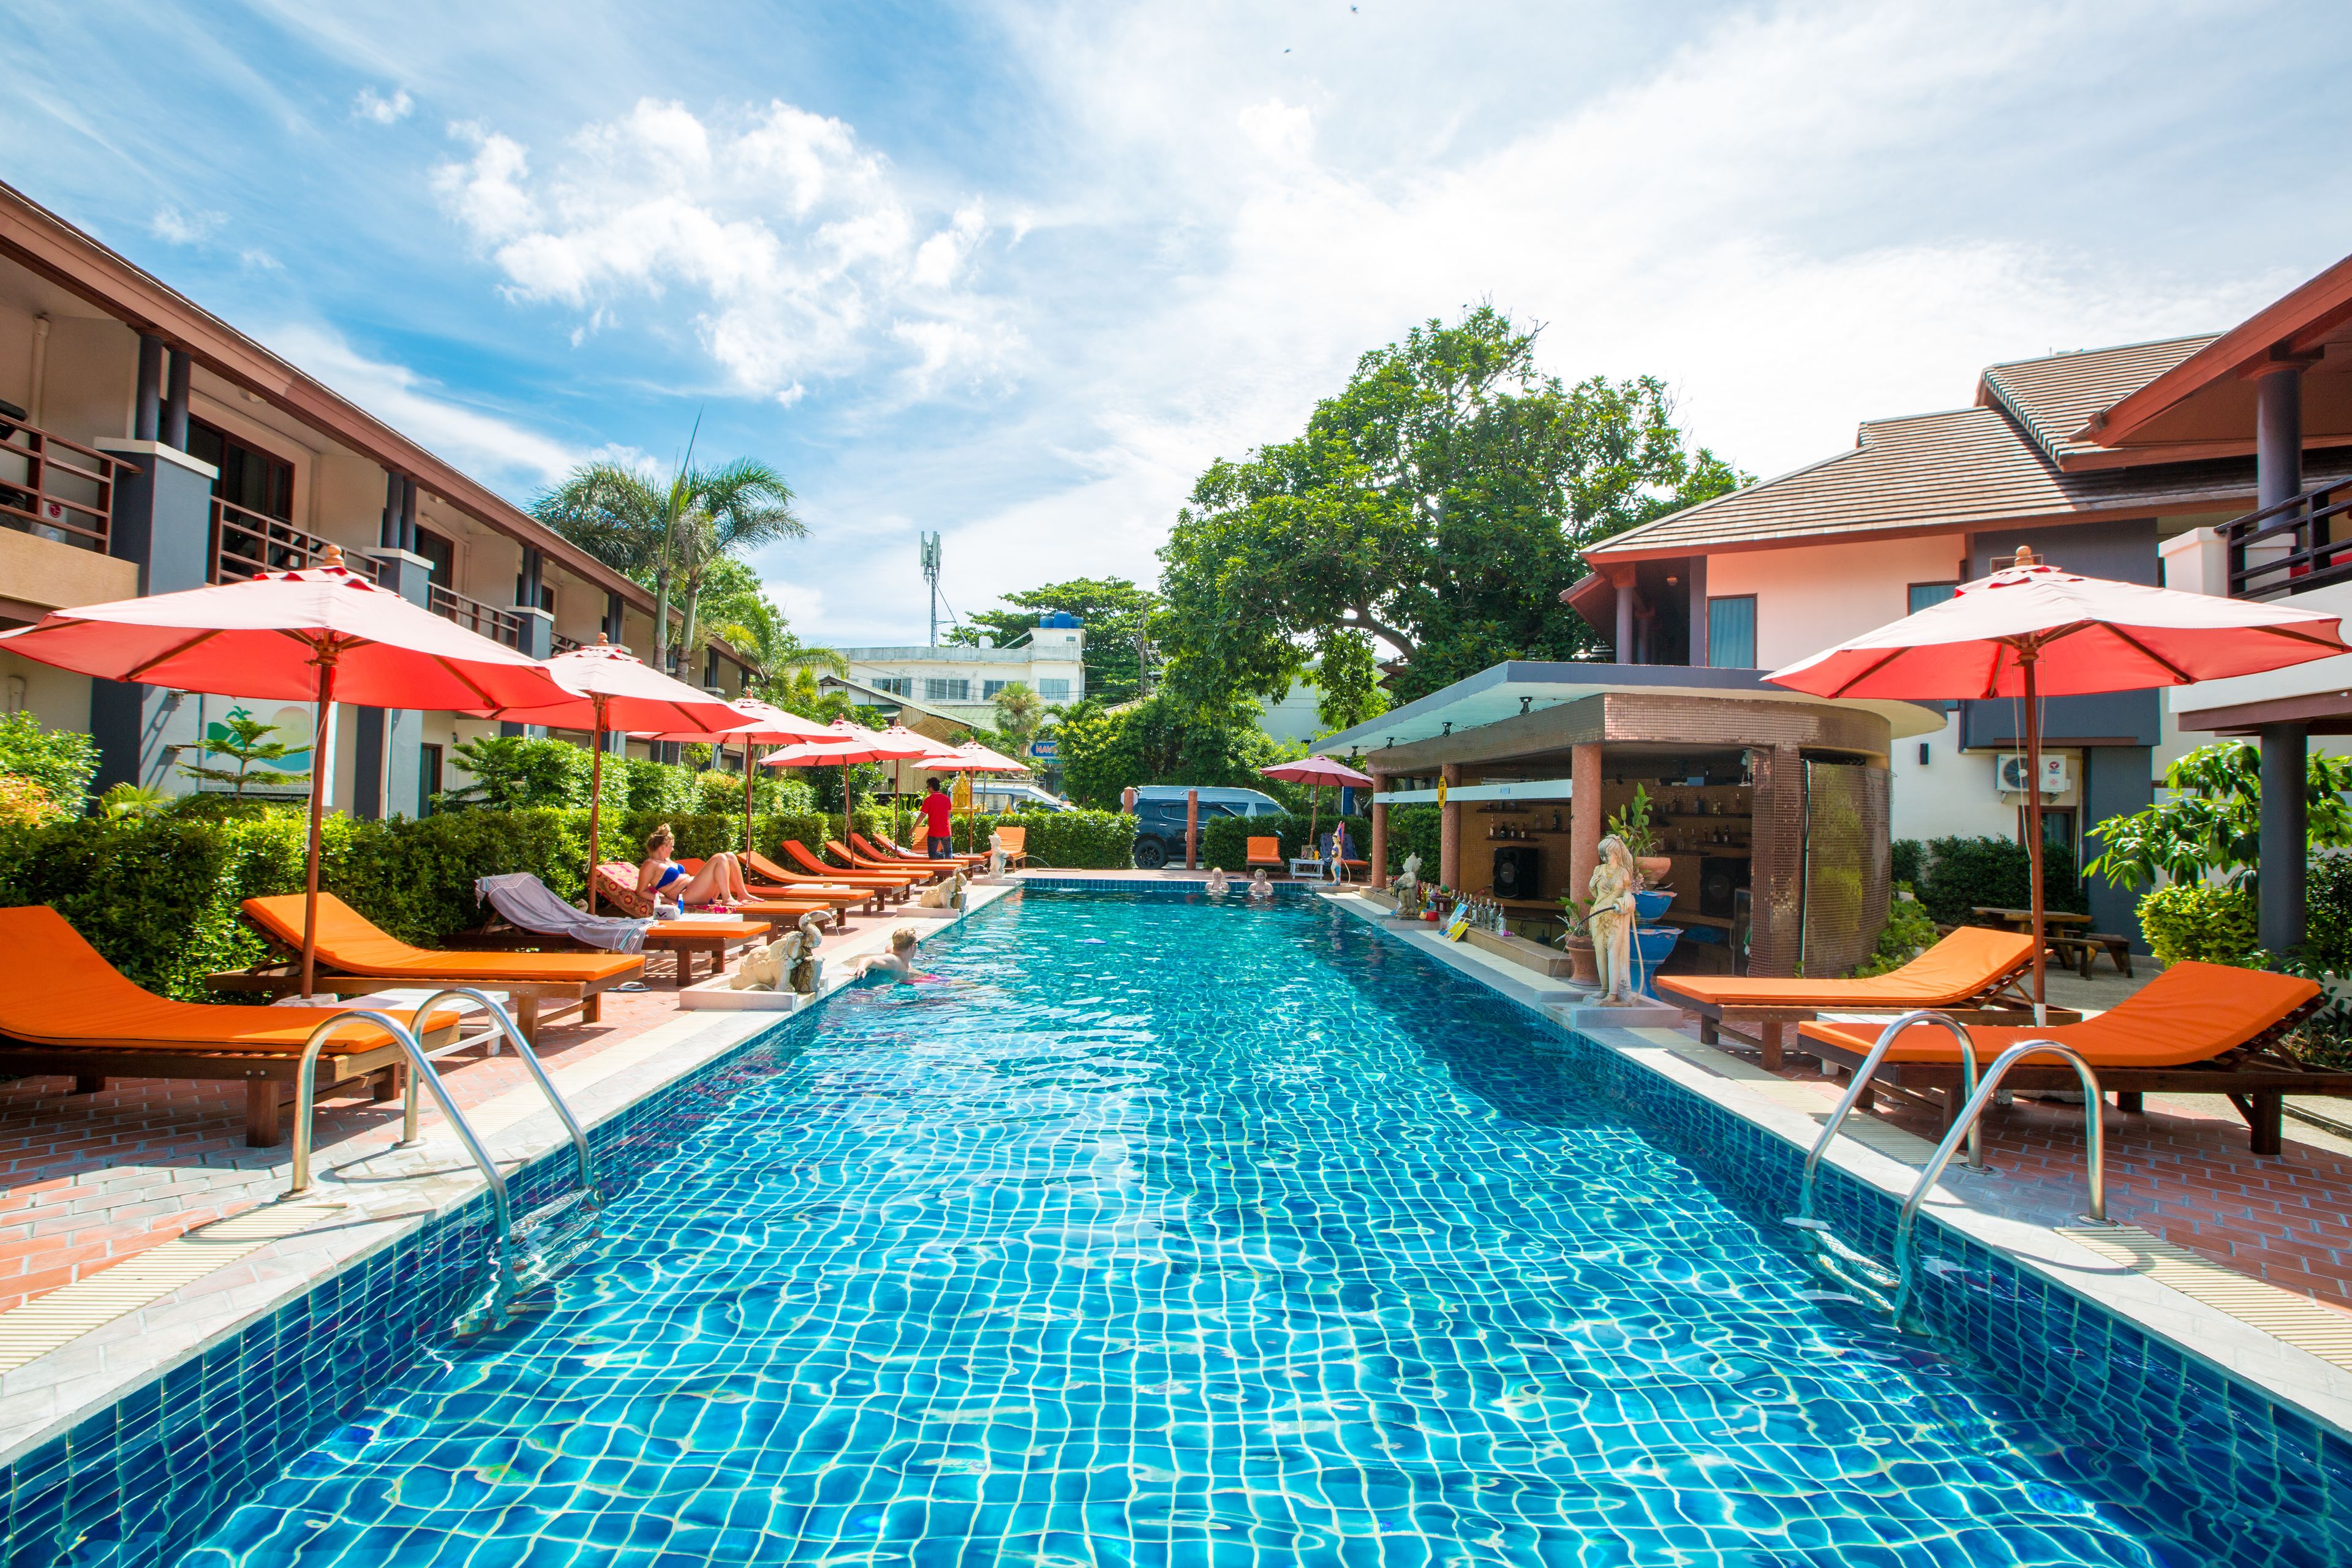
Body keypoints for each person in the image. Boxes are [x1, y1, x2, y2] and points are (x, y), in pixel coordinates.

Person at [636, 824, 750, 911]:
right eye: (672, 847)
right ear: (663, 847)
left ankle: (742, 893)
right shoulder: (650, 864)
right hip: (687, 896)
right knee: (719, 858)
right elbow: (641, 891)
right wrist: (667, 901)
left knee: (729, 856)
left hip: (700, 892)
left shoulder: (667, 861)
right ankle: (727, 898)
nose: (673, 850)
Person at [857, 926, 921, 982]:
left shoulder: (898, 953)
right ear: (912, 946)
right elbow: (870, 959)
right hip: (901, 988)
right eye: (918, 943)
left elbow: (889, 947)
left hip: (907, 973)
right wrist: (861, 967)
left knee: (929, 978)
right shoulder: (894, 961)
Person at [921, 777, 955, 860]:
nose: (927, 789)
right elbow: (948, 816)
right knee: (948, 852)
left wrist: (913, 828)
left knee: (932, 853)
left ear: (931, 787)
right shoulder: (947, 799)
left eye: (927, 787)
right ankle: (949, 870)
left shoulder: (928, 800)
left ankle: (933, 871)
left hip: (934, 831)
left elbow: (922, 815)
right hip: (946, 830)